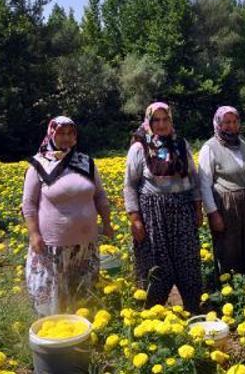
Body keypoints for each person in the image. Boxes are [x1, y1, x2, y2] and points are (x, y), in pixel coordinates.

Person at [23, 116, 113, 316]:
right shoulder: (38, 165)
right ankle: (55, 338)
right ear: (51, 134)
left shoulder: (86, 162)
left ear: (75, 137)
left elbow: (100, 195)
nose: (65, 138)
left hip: (85, 245)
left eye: (70, 133)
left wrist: (107, 223)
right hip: (53, 245)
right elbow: (28, 205)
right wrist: (34, 234)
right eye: (60, 133)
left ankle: (82, 335)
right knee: (56, 296)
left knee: (83, 292)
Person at [124, 102, 203, 312]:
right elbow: (130, 184)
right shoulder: (140, 148)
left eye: (165, 119)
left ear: (171, 120)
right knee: (157, 265)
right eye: (156, 120)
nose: (161, 124)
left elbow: (193, 177)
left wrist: (197, 207)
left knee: (188, 261)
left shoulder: (180, 144)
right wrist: (135, 219)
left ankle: (193, 309)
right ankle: (152, 314)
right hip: (153, 214)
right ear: (149, 122)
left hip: (183, 209)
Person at [198, 106, 245, 276]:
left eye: (235, 122)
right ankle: (230, 287)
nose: (232, 126)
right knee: (229, 248)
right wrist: (213, 214)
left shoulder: (241, 144)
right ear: (218, 124)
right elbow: (204, 184)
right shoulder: (210, 148)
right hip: (225, 204)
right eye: (227, 122)